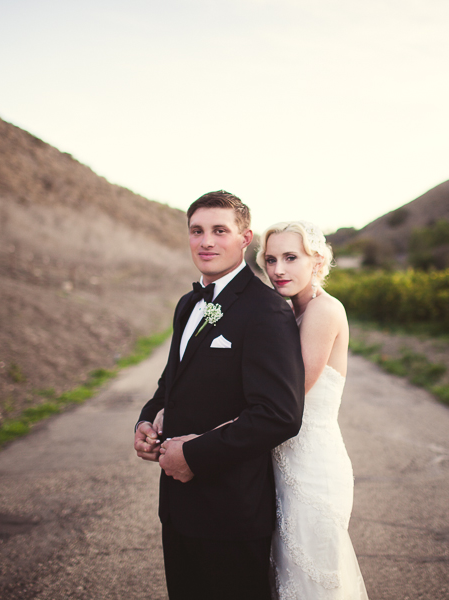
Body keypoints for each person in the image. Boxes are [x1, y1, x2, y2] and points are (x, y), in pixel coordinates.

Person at [133, 191, 304, 600]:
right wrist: (146, 418)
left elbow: (279, 414)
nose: (206, 241)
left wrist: (193, 455)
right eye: (197, 231)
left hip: (230, 513)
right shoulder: (187, 303)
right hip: (177, 508)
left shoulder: (266, 309)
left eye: (219, 231)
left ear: (245, 239)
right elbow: (170, 382)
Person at [258, 220, 369, 599]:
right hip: (281, 462)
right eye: (270, 259)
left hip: (313, 467)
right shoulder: (289, 312)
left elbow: (290, 392)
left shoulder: (324, 310)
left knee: (312, 576)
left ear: (316, 261)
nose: (278, 269)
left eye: (291, 257)